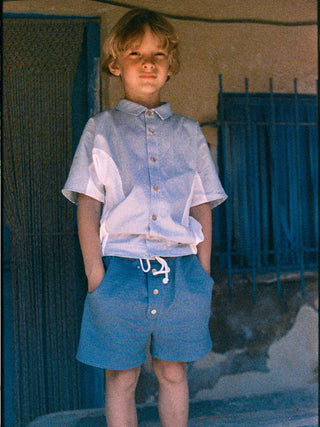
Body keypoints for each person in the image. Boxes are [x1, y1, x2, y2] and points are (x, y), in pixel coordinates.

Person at [62, 8, 227, 427]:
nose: (148, 63)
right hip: (119, 272)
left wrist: (202, 270)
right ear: (115, 65)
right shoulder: (100, 129)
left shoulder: (189, 133)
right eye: (135, 53)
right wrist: (95, 274)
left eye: (158, 54)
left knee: (173, 371)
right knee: (121, 377)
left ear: (171, 64)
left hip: (182, 271)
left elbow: (201, 205)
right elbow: (87, 204)